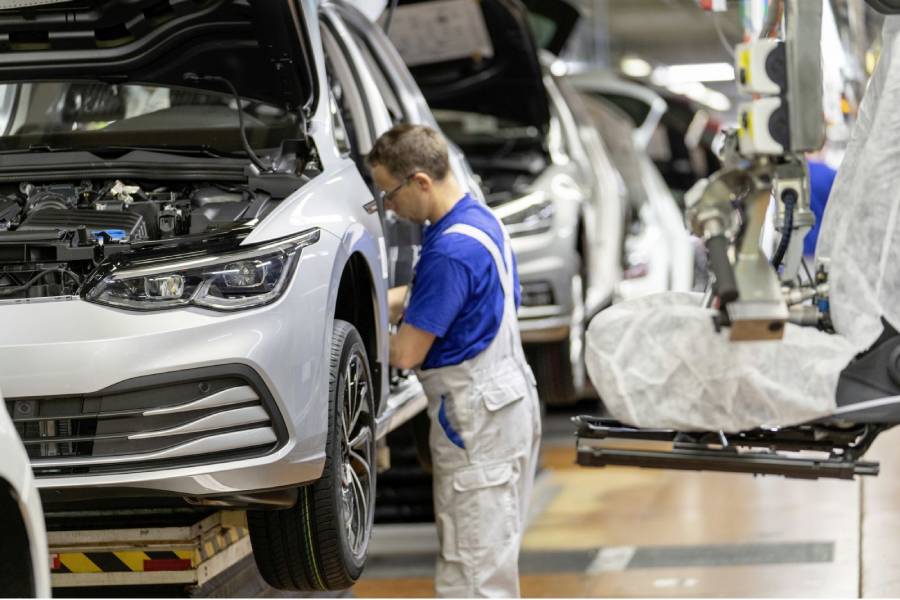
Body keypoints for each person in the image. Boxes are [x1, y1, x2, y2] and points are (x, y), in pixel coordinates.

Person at [366, 124, 541, 598]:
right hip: (508, 401)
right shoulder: (479, 221)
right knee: (491, 558)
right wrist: (378, 300)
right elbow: (432, 296)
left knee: (473, 575)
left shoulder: (448, 252)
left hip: (476, 421)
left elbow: (406, 352)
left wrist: (353, 337)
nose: (389, 208)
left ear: (420, 181)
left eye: (390, 193)